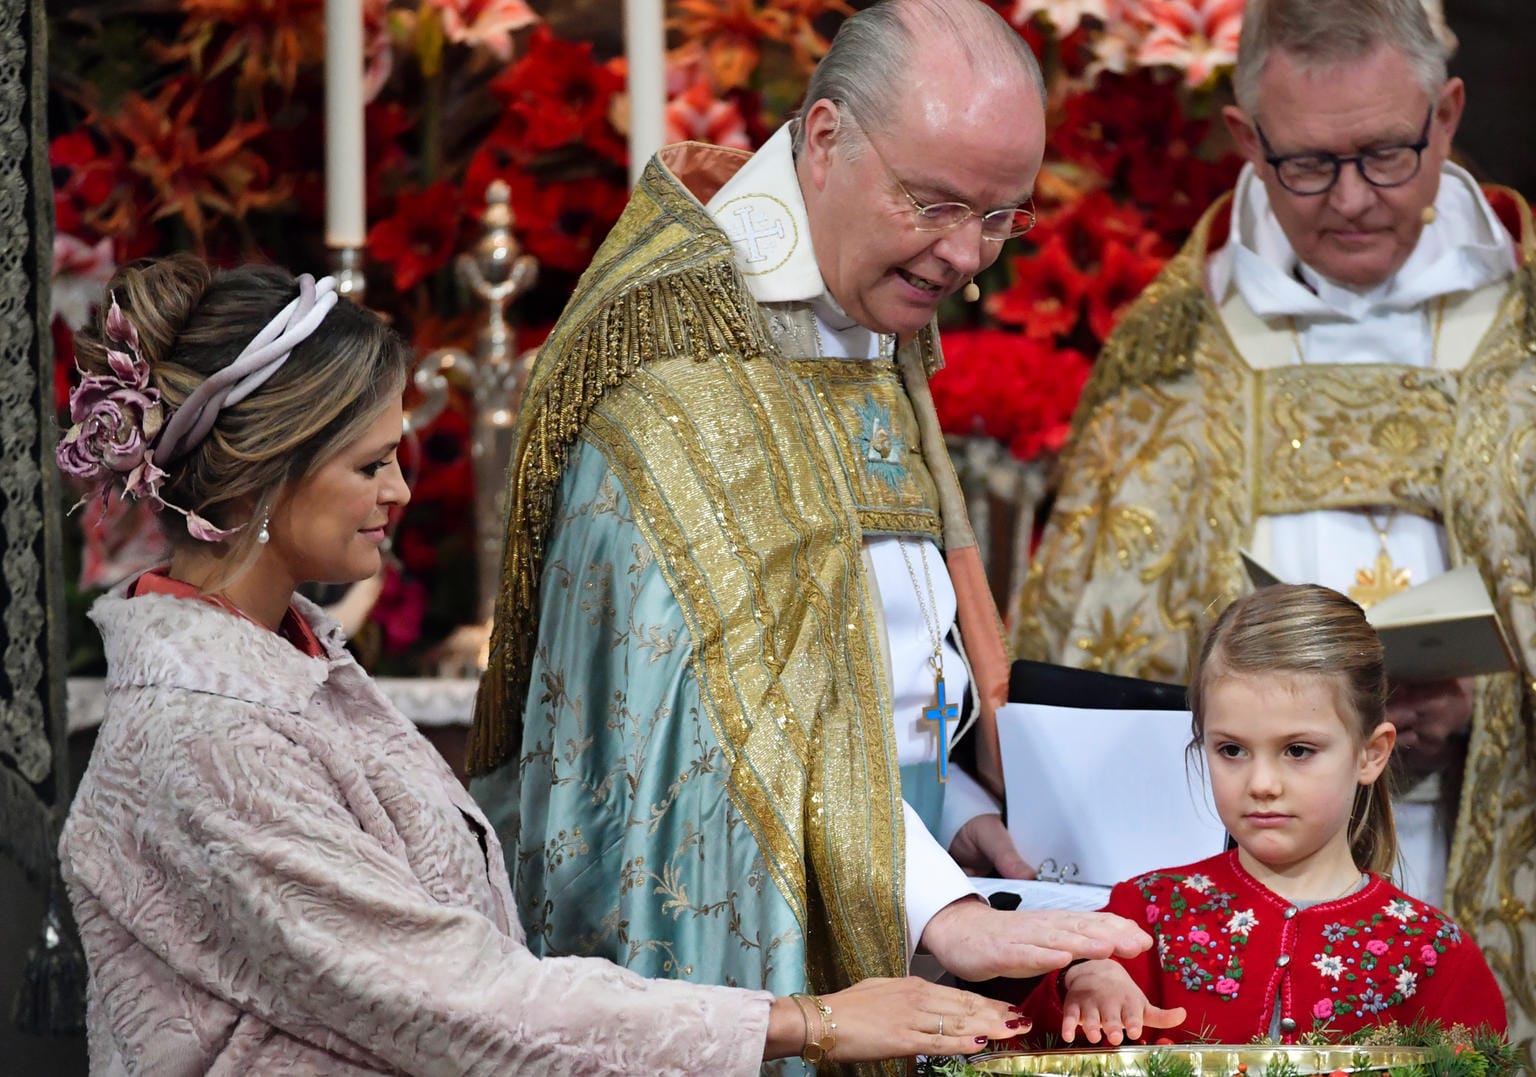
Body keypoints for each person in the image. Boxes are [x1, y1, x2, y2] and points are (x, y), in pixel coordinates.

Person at [1010, 0, 1536, 1072]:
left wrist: (1504, 696)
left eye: (1387, 154)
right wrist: (1274, 722)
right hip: (1246, 863)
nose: (1351, 200)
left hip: (1492, 854)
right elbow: (1093, 660)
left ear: (1448, 113)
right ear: (1247, 141)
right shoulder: (1167, 359)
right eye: (1307, 165)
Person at [56, 255, 1035, 1075]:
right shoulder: (205, 736)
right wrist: (810, 1022)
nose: (400, 490)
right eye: (369, 465)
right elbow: (460, 999)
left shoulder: (293, 662)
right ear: (267, 468)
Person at [465, 0, 1148, 1057]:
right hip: (756, 931)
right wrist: (940, 905)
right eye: (935, 203)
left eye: (1002, 217)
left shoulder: (869, 306)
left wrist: (958, 803)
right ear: (825, 138)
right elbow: (723, 723)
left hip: (917, 885)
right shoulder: (685, 360)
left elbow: (876, 658)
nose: (968, 254)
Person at [1020, 585, 1506, 1046]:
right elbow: (1035, 1048)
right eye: (1231, 750)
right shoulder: (1140, 921)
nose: (1262, 784)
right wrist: (1079, 982)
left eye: (1297, 750)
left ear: (1370, 754)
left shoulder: (1433, 955)